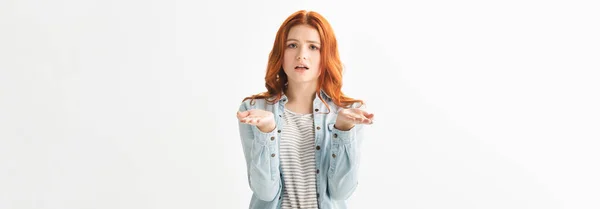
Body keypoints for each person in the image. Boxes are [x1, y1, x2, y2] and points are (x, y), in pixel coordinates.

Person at [236, 10, 374, 209]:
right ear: (280, 53)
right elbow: (264, 191)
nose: (302, 55)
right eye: (292, 45)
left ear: (326, 54)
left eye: (313, 47)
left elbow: (341, 191)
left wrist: (343, 128)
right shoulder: (255, 109)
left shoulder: (349, 112)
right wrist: (267, 131)